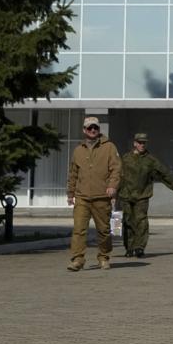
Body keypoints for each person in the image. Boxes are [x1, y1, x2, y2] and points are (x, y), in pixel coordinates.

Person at [66, 116, 121, 271]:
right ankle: (78, 259)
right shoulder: (78, 150)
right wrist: (70, 193)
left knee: (103, 230)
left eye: (95, 128)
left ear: (98, 129)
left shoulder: (109, 147)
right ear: (84, 130)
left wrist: (112, 186)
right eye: (89, 128)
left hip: (102, 197)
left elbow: (116, 169)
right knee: (78, 229)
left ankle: (103, 257)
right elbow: (73, 174)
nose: (92, 130)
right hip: (82, 197)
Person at [118, 132, 173, 258]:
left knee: (141, 221)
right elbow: (117, 175)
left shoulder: (151, 160)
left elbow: (164, 173)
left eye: (144, 143)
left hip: (142, 195)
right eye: (140, 143)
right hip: (126, 195)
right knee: (128, 221)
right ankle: (129, 248)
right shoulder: (125, 158)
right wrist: (112, 192)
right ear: (135, 143)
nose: (142, 145)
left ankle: (139, 247)